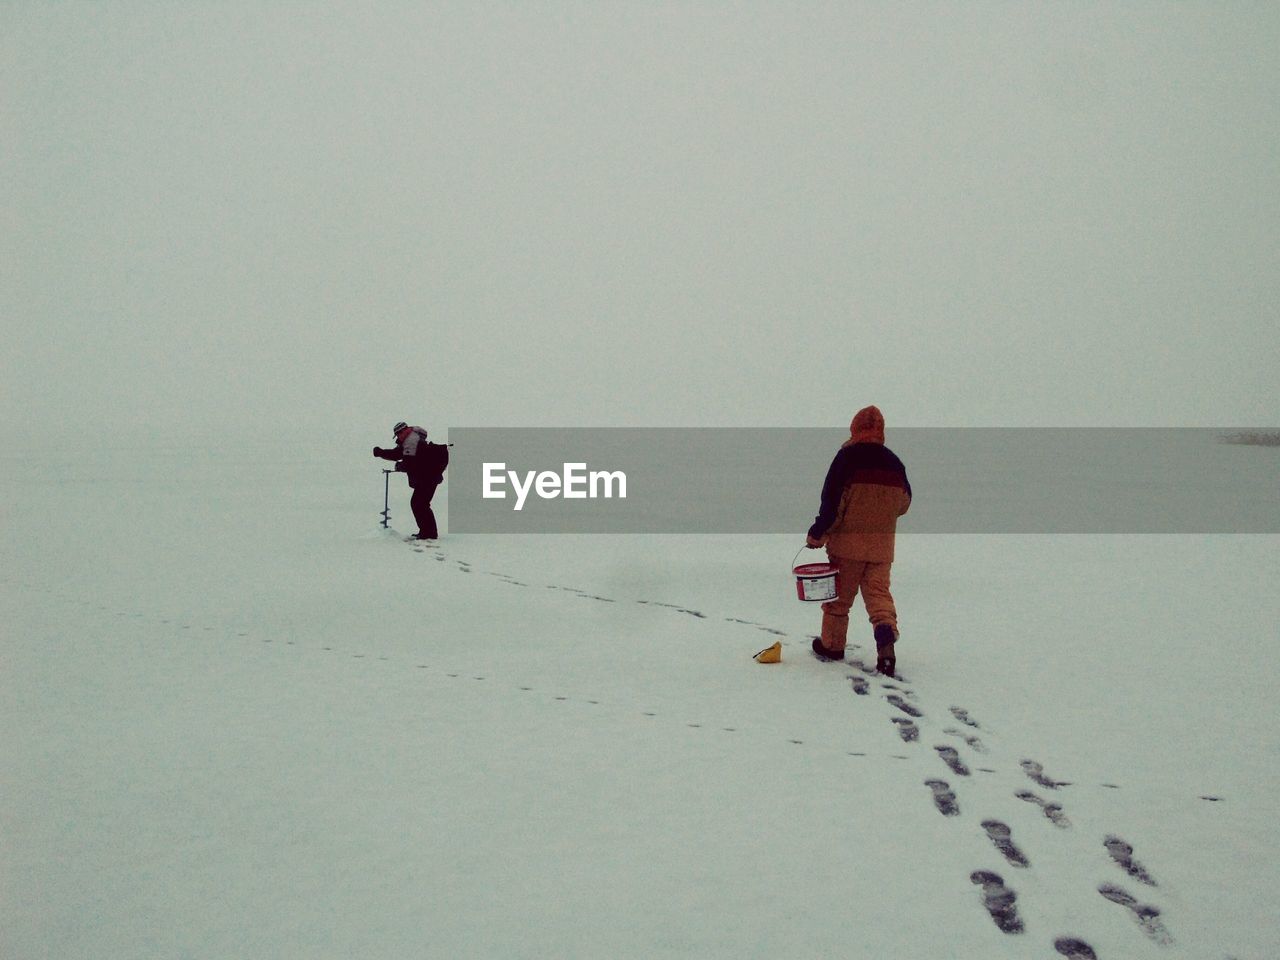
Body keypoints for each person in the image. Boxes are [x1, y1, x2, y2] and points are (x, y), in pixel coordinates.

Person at [805, 405, 912, 676]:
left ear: (855, 428)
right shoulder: (895, 463)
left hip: (847, 547)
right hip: (881, 548)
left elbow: (832, 503)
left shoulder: (846, 459)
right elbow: (904, 503)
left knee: (839, 600)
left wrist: (818, 532)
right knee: (879, 597)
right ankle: (886, 644)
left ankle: (832, 646)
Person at [373, 421, 448, 540]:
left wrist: (400, 466)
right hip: (428, 476)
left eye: (397, 434)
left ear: (402, 431)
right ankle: (427, 532)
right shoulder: (410, 440)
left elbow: (410, 462)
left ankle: (429, 534)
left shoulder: (412, 440)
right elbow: (398, 454)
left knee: (419, 504)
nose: (397, 437)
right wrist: (381, 453)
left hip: (428, 477)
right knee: (419, 504)